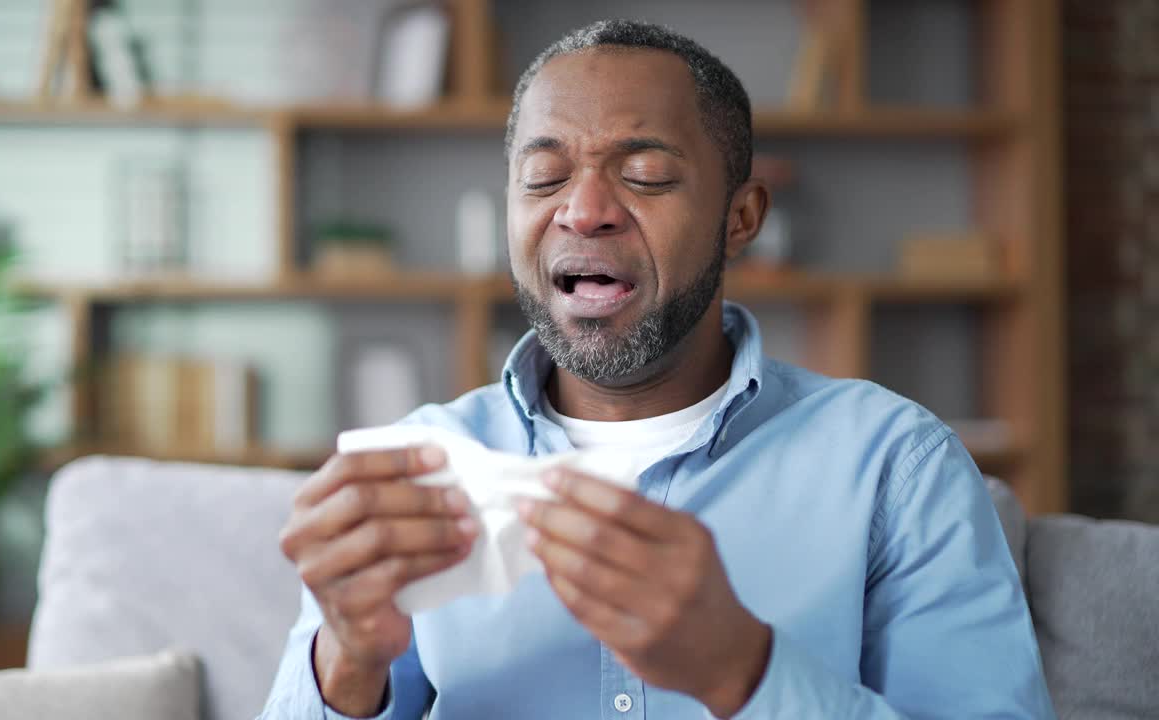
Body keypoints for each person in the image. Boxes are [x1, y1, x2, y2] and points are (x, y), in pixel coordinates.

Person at [261, 19, 1054, 720]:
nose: (583, 209)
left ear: (740, 219)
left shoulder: (895, 468)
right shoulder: (414, 468)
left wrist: (746, 672)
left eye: (643, 174)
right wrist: (347, 661)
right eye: (544, 176)